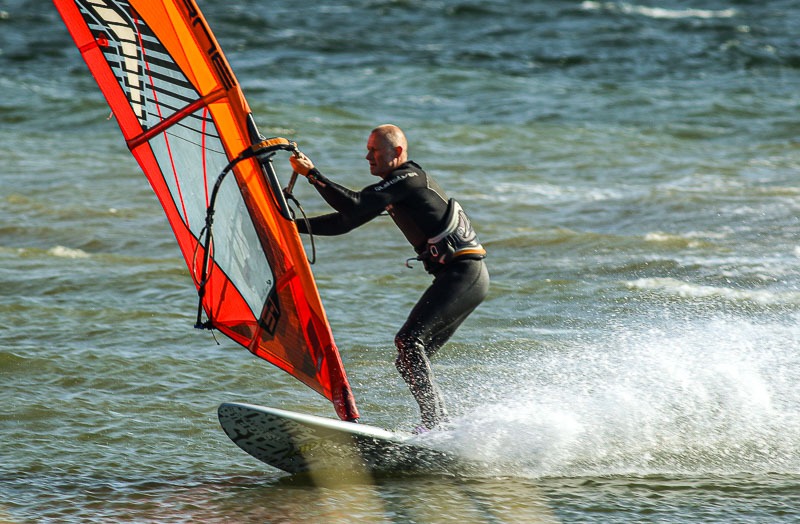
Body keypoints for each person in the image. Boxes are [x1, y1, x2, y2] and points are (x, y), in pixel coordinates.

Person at [289, 124, 490, 431]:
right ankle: (440, 426)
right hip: (457, 276)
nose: (367, 156)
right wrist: (293, 226)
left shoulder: (408, 178)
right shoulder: (396, 186)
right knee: (408, 357)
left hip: (464, 273)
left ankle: (436, 425)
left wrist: (312, 174)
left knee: (409, 342)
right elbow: (346, 221)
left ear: (396, 152)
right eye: (367, 149)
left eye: (374, 150)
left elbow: (353, 204)